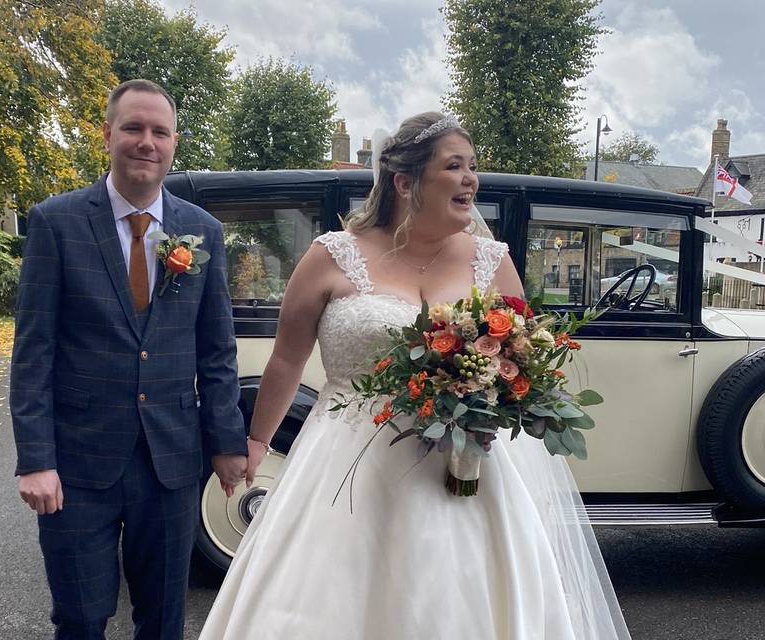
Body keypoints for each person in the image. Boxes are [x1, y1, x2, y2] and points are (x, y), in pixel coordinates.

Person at [199, 112, 631, 639]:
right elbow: (288, 359)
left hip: (463, 461)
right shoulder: (331, 257)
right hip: (345, 461)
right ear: (405, 182)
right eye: (454, 166)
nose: (471, 179)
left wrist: (504, 386)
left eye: (473, 167)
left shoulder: (490, 260)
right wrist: (258, 440)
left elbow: (523, 351)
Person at [9, 78, 247, 640]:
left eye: (159, 131)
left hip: (169, 463)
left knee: (163, 619)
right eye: (134, 128)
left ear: (174, 143)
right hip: (76, 464)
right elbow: (33, 351)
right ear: (108, 134)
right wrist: (35, 458)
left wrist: (227, 443)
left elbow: (217, 353)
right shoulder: (56, 222)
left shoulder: (202, 231)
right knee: (81, 616)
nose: (146, 141)